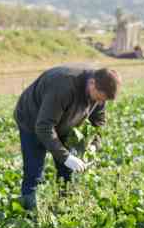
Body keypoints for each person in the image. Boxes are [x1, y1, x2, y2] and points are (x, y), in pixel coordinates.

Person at [14, 66, 121, 210]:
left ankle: (65, 206)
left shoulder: (100, 92)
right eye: (99, 98)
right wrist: (66, 157)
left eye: (104, 100)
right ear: (92, 83)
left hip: (64, 121)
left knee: (67, 172)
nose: (100, 103)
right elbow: (44, 127)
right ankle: (28, 210)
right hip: (32, 120)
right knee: (34, 170)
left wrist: (94, 145)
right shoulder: (64, 86)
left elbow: (98, 122)